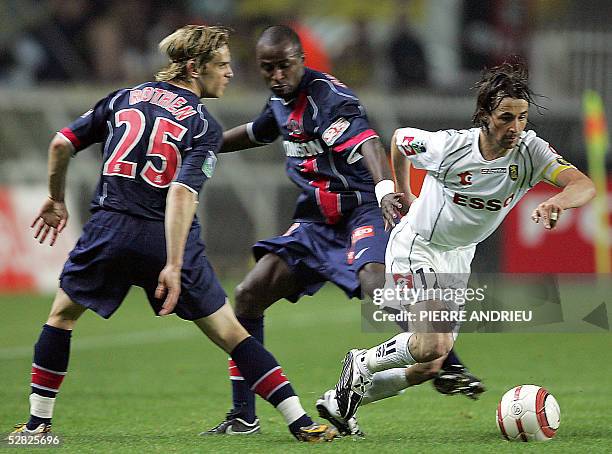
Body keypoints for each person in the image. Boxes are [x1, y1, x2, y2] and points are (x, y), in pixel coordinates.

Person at [9, 25, 336, 443]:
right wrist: (174, 264)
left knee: (62, 316)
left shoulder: (122, 98)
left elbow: (59, 145)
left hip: (108, 227)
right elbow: (181, 192)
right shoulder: (203, 123)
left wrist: (56, 199)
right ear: (195, 68)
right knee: (232, 333)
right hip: (163, 234)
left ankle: (37, 426)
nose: (231, 73)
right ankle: (300, 421)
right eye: (222, 64)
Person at [203, 25, 482, 438]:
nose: (277, 75)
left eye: (284, 66)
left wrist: (386, 190)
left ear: (301, 61)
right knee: (248, 294)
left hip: (361, 210)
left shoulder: (329, 99)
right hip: (316, 221)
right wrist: (204, 143)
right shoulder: (281, 102)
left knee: (375, 280)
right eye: (268, 68)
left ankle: (446, 359)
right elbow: (256, 132)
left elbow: (369, 142)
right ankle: (243, 416)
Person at [321, 59, 596, 426]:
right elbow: (401, 140)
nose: (515, 127)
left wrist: (556, 201)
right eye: (505, 118)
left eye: (522, 117)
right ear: (484, 115)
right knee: (432, 344)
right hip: (417, 246)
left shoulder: (531, 152)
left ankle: (340, 402)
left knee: (428, 363)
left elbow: (583, 184)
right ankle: (360, 363)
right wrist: (404, 192)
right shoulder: (450, 147)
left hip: (457, 259)